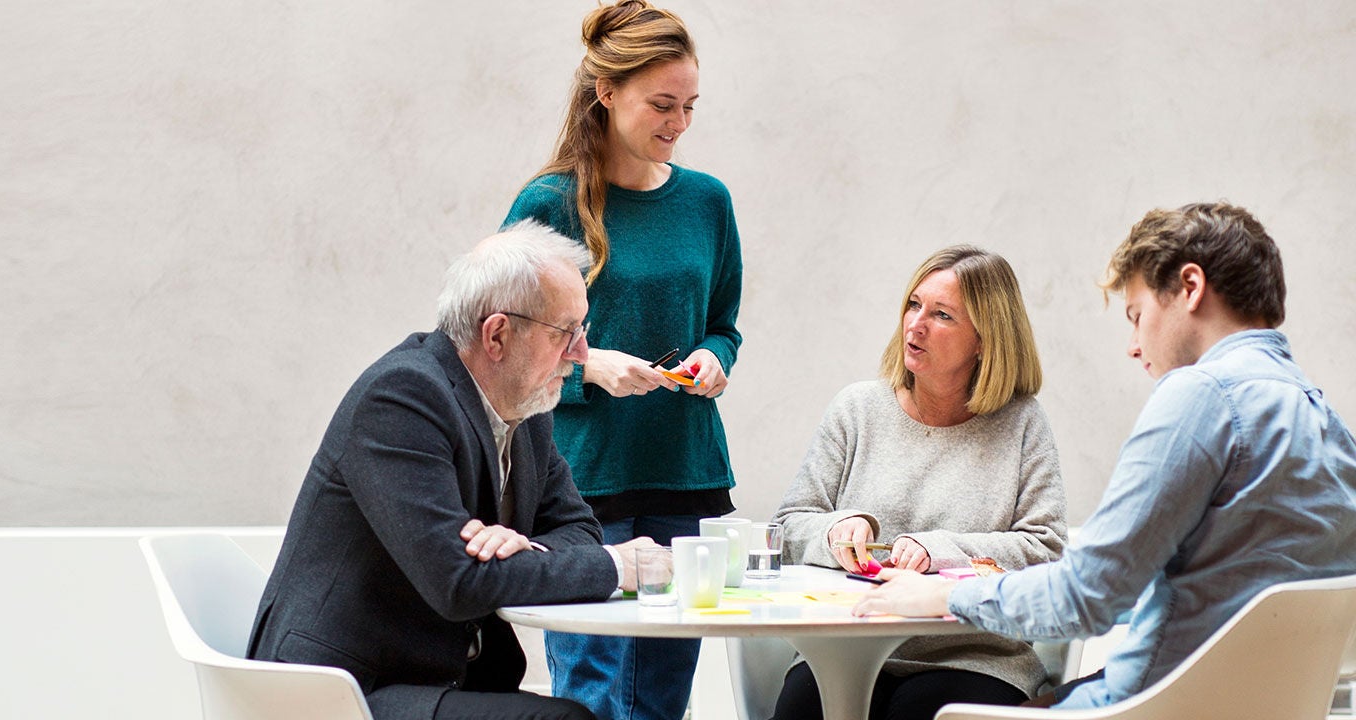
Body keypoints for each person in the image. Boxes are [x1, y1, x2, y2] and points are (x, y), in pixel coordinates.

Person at [853, 202, 1356, 710]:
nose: (1134, 346)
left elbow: (1087, 598)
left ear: (1190, 287)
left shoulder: (1202, 397)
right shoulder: (1327, 425)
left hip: (1152, 705)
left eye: (1137, 315)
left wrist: (940, 597)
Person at [246, 221, 661, 720]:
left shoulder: (526, 407)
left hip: (436, 675)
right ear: (498, 334)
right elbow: (459, 582)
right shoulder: (402, 398)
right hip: (344, 687)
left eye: (582, 331)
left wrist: (526, 547)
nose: (581, 353)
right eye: (565, 332)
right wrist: (622, 566)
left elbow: (578, 528)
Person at [500, 2, 743, 719]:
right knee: (593, 696)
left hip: (683, 473)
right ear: (607, 94)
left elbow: (724, 324)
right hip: (582, 485)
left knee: (664, 696)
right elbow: (503, 352)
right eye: (662, 104)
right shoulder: (548, 205)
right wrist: (589, 364)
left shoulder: (708, 203)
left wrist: (713, 355)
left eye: (690, 106)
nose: (679, 122)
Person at [771, 245, 1068, 720]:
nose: (916, 325)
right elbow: (786, 528)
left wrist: (940, 551)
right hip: (847, 647)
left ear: (984, 340)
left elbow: (1046, 550)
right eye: (914, 305)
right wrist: (837, 531)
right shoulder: (858, 409)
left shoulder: (1022, 423)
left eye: (942, 315)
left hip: (975, 655)